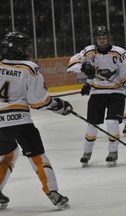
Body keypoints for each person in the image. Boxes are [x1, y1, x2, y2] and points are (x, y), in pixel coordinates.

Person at [0, 31, 72, 210]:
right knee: (38, 157)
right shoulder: (29, 67)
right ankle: (53, 192)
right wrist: (59, 104)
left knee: (8, 155)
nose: (28, 50)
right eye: (25, 47)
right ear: (18, 50)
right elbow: (39, 102)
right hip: (21, 122)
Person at [67, 26, 126, 167]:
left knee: (112, 123)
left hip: (116, 92)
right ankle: (87, 152)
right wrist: (84, 71)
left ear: (109, 38)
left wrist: (125, 84)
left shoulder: (120, 53)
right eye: (99, 38)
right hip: (97, 92)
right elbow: (72, 63)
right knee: (92, 125)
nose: (102, 41)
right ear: (95, 39)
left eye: (104, 38)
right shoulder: (89, 50)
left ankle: (113, 152)